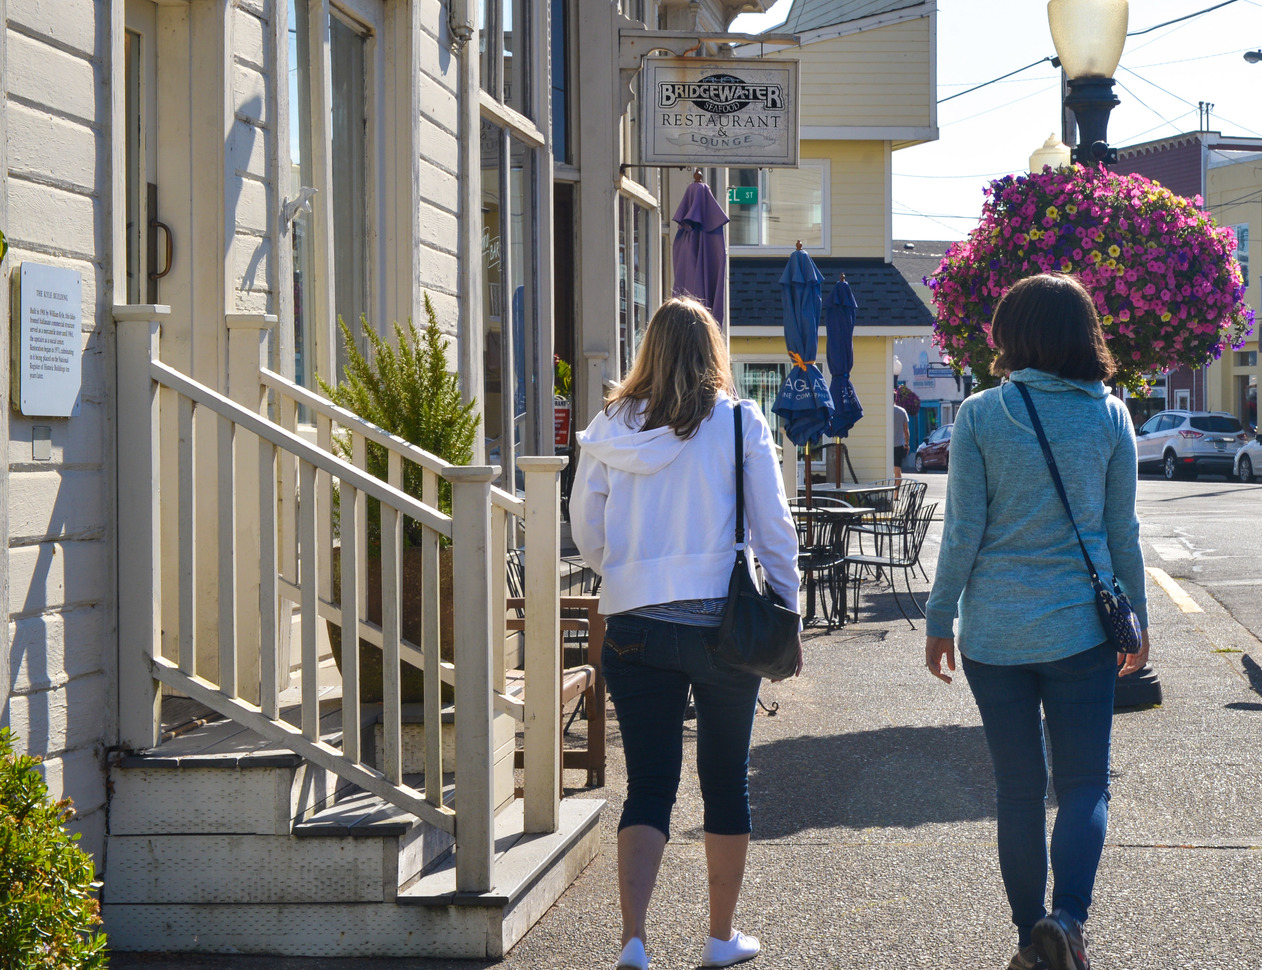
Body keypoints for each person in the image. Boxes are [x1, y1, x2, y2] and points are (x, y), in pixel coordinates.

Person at [923, 274, 1150, 970]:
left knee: (1018, 788)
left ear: (1012, 337)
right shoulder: (1110, 416)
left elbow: (962, 532)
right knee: (1084, 784)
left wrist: (939, 618)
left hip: (993, 634)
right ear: (1086, 335)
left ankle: (1030, 940)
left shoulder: (983, 415)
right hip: (1082, 632)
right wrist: (1136, 621)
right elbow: (1122, 533)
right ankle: (1069, 923)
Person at [571, 297, 802, 970]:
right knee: (726, 780)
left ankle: (634, 943)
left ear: (649, 350)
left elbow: (586, 531)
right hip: (721, 628)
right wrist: (787, 607)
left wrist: (632, 571)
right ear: (712, 352)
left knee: (647, 784)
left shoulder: (609, 427)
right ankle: (718, 938)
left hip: (635, 624)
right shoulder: (738, 424)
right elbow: (773, 528)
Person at [892, 398, 910, 483]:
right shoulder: (902, 411)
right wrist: (906, 444)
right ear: (896, 398)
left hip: (886, 444)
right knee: (897, 469)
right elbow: (906, 431)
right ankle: (896, 494)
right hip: (898, 444)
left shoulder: (885, 411)